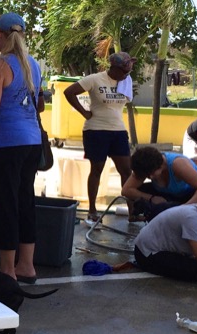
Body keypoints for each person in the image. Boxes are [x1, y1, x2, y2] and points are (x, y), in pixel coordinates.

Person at [0, 12, 44, 283]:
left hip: (7, 144)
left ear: (1, 35)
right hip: (32, 142)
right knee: (24, 200)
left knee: (3, 204)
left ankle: (7, 269)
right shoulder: (33, 64)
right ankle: (26, 266)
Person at [64, 52, 136, 225]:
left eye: (128, 72)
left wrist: (126, 78)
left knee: (126, 170)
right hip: (96, 130)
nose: (126, 75)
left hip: (118, 130)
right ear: (113, 68)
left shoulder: (126, 81)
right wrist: (84, 112)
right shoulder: (95, 79)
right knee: (97, 169)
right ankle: (92, 210)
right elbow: (69, 92)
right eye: (124, 71)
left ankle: (133, 212)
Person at [121, 146, 197, 221]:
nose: (151, 178)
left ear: (160, 166)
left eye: (151, 174)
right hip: (168, 196)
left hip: (190, 195)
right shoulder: (146, 166)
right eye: (147, 176)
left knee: (169, 211)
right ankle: (137, 216)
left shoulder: (177, 164)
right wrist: (151, 198)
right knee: (139, 193)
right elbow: (126, 190)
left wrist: (183, 209)